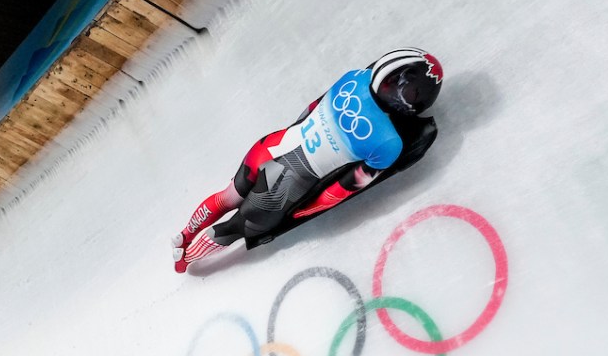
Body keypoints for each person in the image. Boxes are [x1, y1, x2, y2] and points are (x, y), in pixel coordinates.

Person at [172, 48, 443, 273]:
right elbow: (341, 190)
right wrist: (306, 210)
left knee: (227, 197)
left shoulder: (354, 79)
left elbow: (309, 109)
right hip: (285, 185)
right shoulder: (388, 144)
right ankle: (184, 261)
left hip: (271, 146)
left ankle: (185, 234)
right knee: (235, 227)